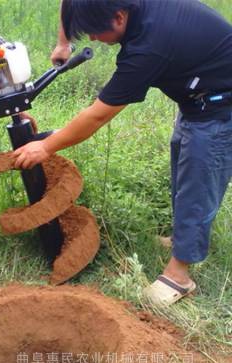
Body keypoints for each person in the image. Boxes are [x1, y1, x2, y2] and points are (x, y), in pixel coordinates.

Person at [13, 0, 232, 306]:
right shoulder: (131, 9)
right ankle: (182, 238)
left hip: (220, 104)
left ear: (118, 17)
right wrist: (63, 42)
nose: (91, 39)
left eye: (93, 32)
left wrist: (46, 145)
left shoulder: (148, 47)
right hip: (196, 98)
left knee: (199, 178)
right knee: (183, 162)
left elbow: (97, 115)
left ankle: (179, 274)